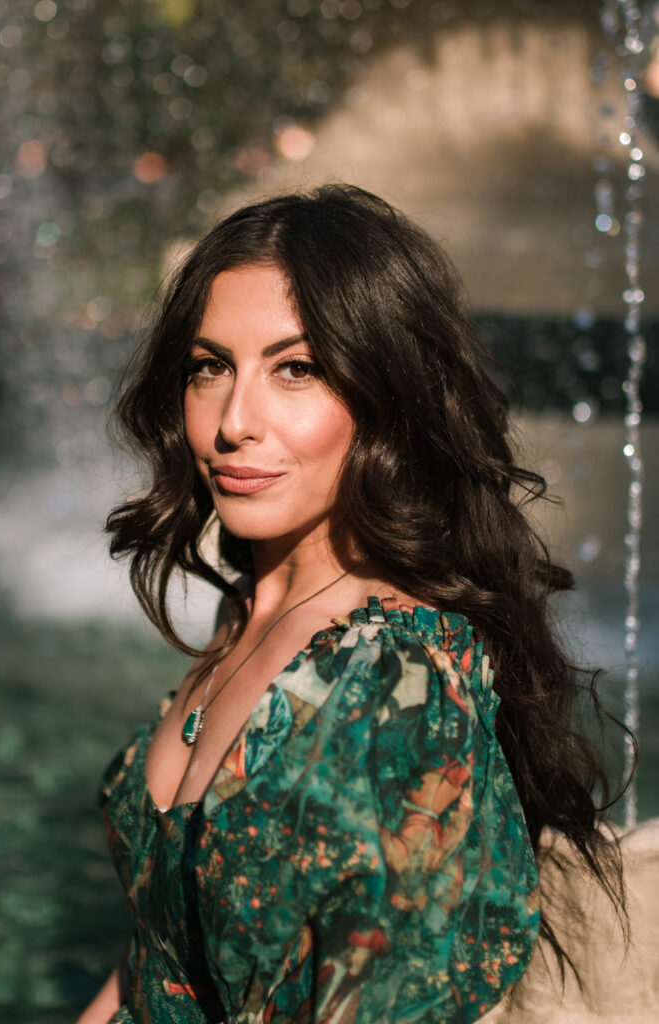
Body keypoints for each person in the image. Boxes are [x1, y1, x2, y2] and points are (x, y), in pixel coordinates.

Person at [77, 184, 630, 1024]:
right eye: (210, 367)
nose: (233, 421)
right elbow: (157, 947)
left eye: (295, 369)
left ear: (386, 396)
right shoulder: (249, 615)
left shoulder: (400, 681)